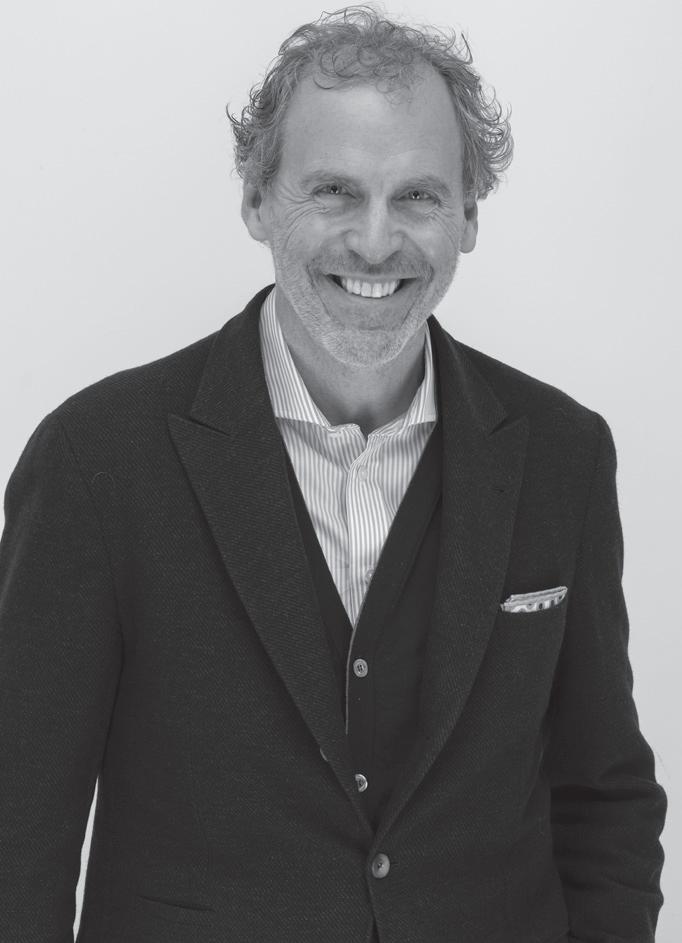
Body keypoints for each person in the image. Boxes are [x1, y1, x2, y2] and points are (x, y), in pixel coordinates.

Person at [0, 5, 667, 942]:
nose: (376, 241)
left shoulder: (564, 454)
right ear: (256, 200)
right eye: (334, 191)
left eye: (418, 195)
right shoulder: (94, 462)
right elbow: (18, 833)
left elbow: (604, 797)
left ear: (470, 215)